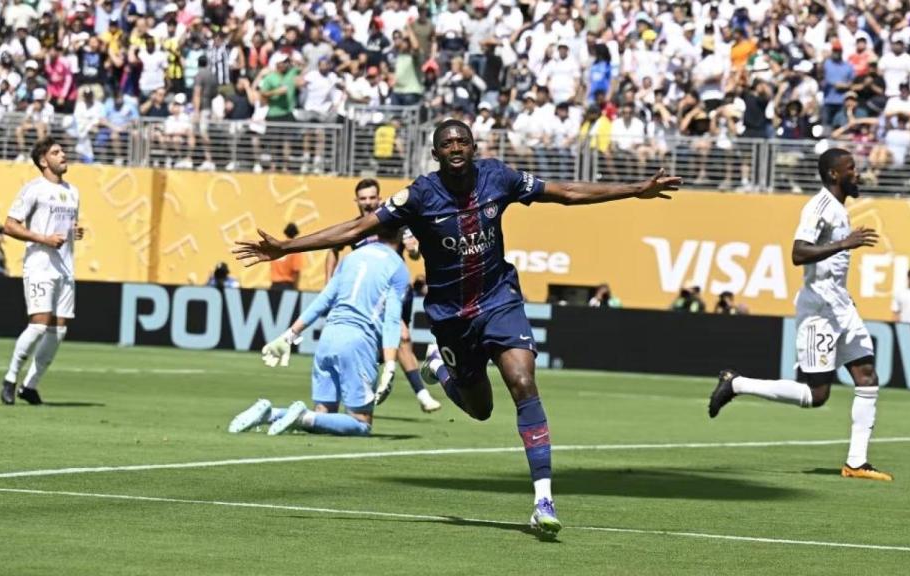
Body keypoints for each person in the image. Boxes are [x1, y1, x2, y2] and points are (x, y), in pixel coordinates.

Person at [233, 119, 681, 535]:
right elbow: (359, 226)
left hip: (499, 299)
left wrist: (636, 189)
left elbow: (564, 192)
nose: (455, 148)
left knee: (523, 382)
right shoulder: (419, 197)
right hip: (451, 318)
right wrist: (287, 247)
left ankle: (543, 500)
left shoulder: (498, 177)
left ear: (473, 147)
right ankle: (441, 370)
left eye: (462, 141)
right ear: (435, 153)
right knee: (480, 409)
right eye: (446, 144)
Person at [709, 148, 891, 482]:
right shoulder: (819, 206)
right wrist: (844, 244)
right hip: (818, 312)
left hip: (840, 307)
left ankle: (857, 463)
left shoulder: (839, 209)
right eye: (851, 168)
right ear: (834, 174)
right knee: (817, 395)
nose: (858, 173)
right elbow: (797, 253)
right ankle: (736, 384)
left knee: (867, 376)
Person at [227, 226, 410, 438]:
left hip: (328, 336)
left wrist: (289, 335)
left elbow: (324, 299)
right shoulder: (398, 267)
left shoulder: (352, 257)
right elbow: (392, 320)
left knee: (323, 416)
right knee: (361, 422)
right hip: (358, 341)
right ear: (401, 235)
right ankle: (300, 417)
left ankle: (271, 414)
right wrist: (389, 364)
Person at [325, 179, 441, 414]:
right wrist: (329, 283)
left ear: (379, 198)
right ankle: (421, 394)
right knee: (402, 337)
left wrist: (414, 249)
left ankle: (364, 389)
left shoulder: (395, 224)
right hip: (369, 296)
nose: (368, 203)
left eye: (372, 198)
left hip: (397, 293)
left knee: (391, 344)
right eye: (363, 198)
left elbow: (415, 253)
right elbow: (332, 250)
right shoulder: (355, 228)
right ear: (356, 201)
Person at [0, 137, 83, 406]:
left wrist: (74, 232)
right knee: (38, 325)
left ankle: (30, 385)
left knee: (58, 331)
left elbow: (66, 226)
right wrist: (43, 239)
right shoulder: (33, 189)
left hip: (65, 266)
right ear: (43, 161)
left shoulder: (73, 191)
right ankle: (10, 379)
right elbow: (10, 226)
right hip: (40, 266)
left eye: (63, 151)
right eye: (56, 152)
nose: (63, 155)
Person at [270, 223, 303, 290]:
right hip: (287, 286)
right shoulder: (295, 250)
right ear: (296, 234)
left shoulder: (278, 248)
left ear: (285, 233)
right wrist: (296, 289)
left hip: (274, 286)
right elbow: (296, 271)